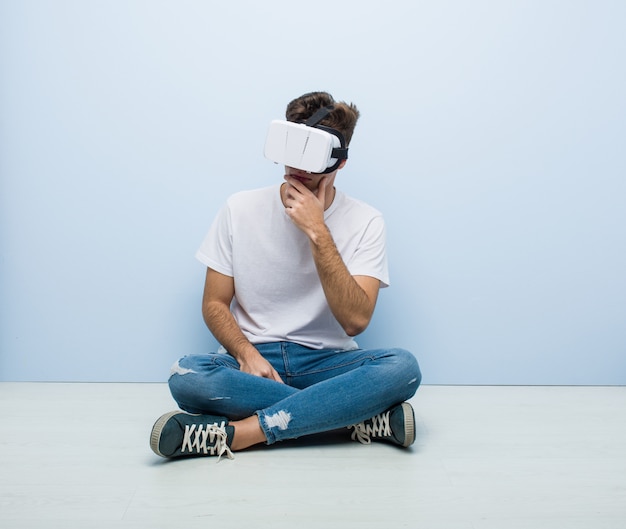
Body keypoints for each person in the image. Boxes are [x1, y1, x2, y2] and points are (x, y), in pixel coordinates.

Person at [150, 91, 421, 460]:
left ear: (338, 163)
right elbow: (214, 303)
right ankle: (351, 419)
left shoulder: (366, 220)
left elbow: (356, 321)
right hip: (254, 365)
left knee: (402, 369)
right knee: (187, 375)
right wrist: (245, 354)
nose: (297, 168)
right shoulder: (239, 208)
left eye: (311, 158)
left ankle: (239, 433)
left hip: (328, 364)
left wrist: (318, 231)